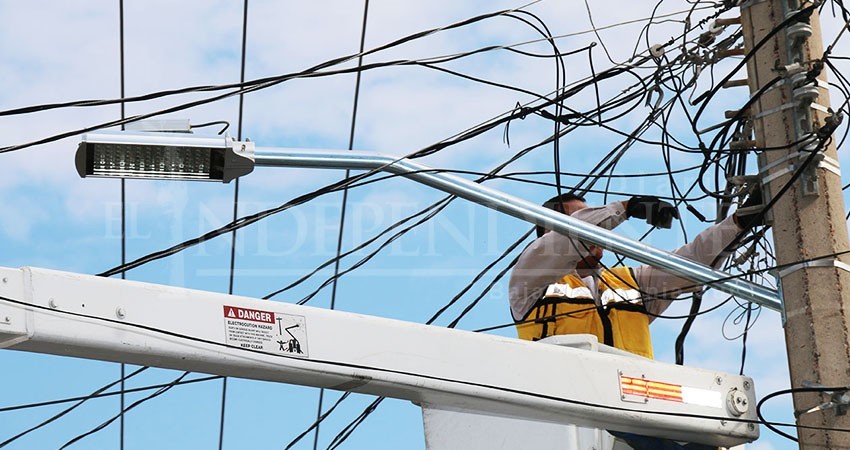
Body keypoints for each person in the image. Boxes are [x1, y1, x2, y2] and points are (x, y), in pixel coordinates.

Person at [508, 191, 761, 450]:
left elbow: (690, 263)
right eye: (583, 218)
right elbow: (567, 237)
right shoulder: (529, 281)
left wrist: (739, 222)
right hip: (571, 426)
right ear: (547, 232)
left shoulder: (629, 282)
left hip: (640, 418)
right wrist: (626, 208)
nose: (595, 223)